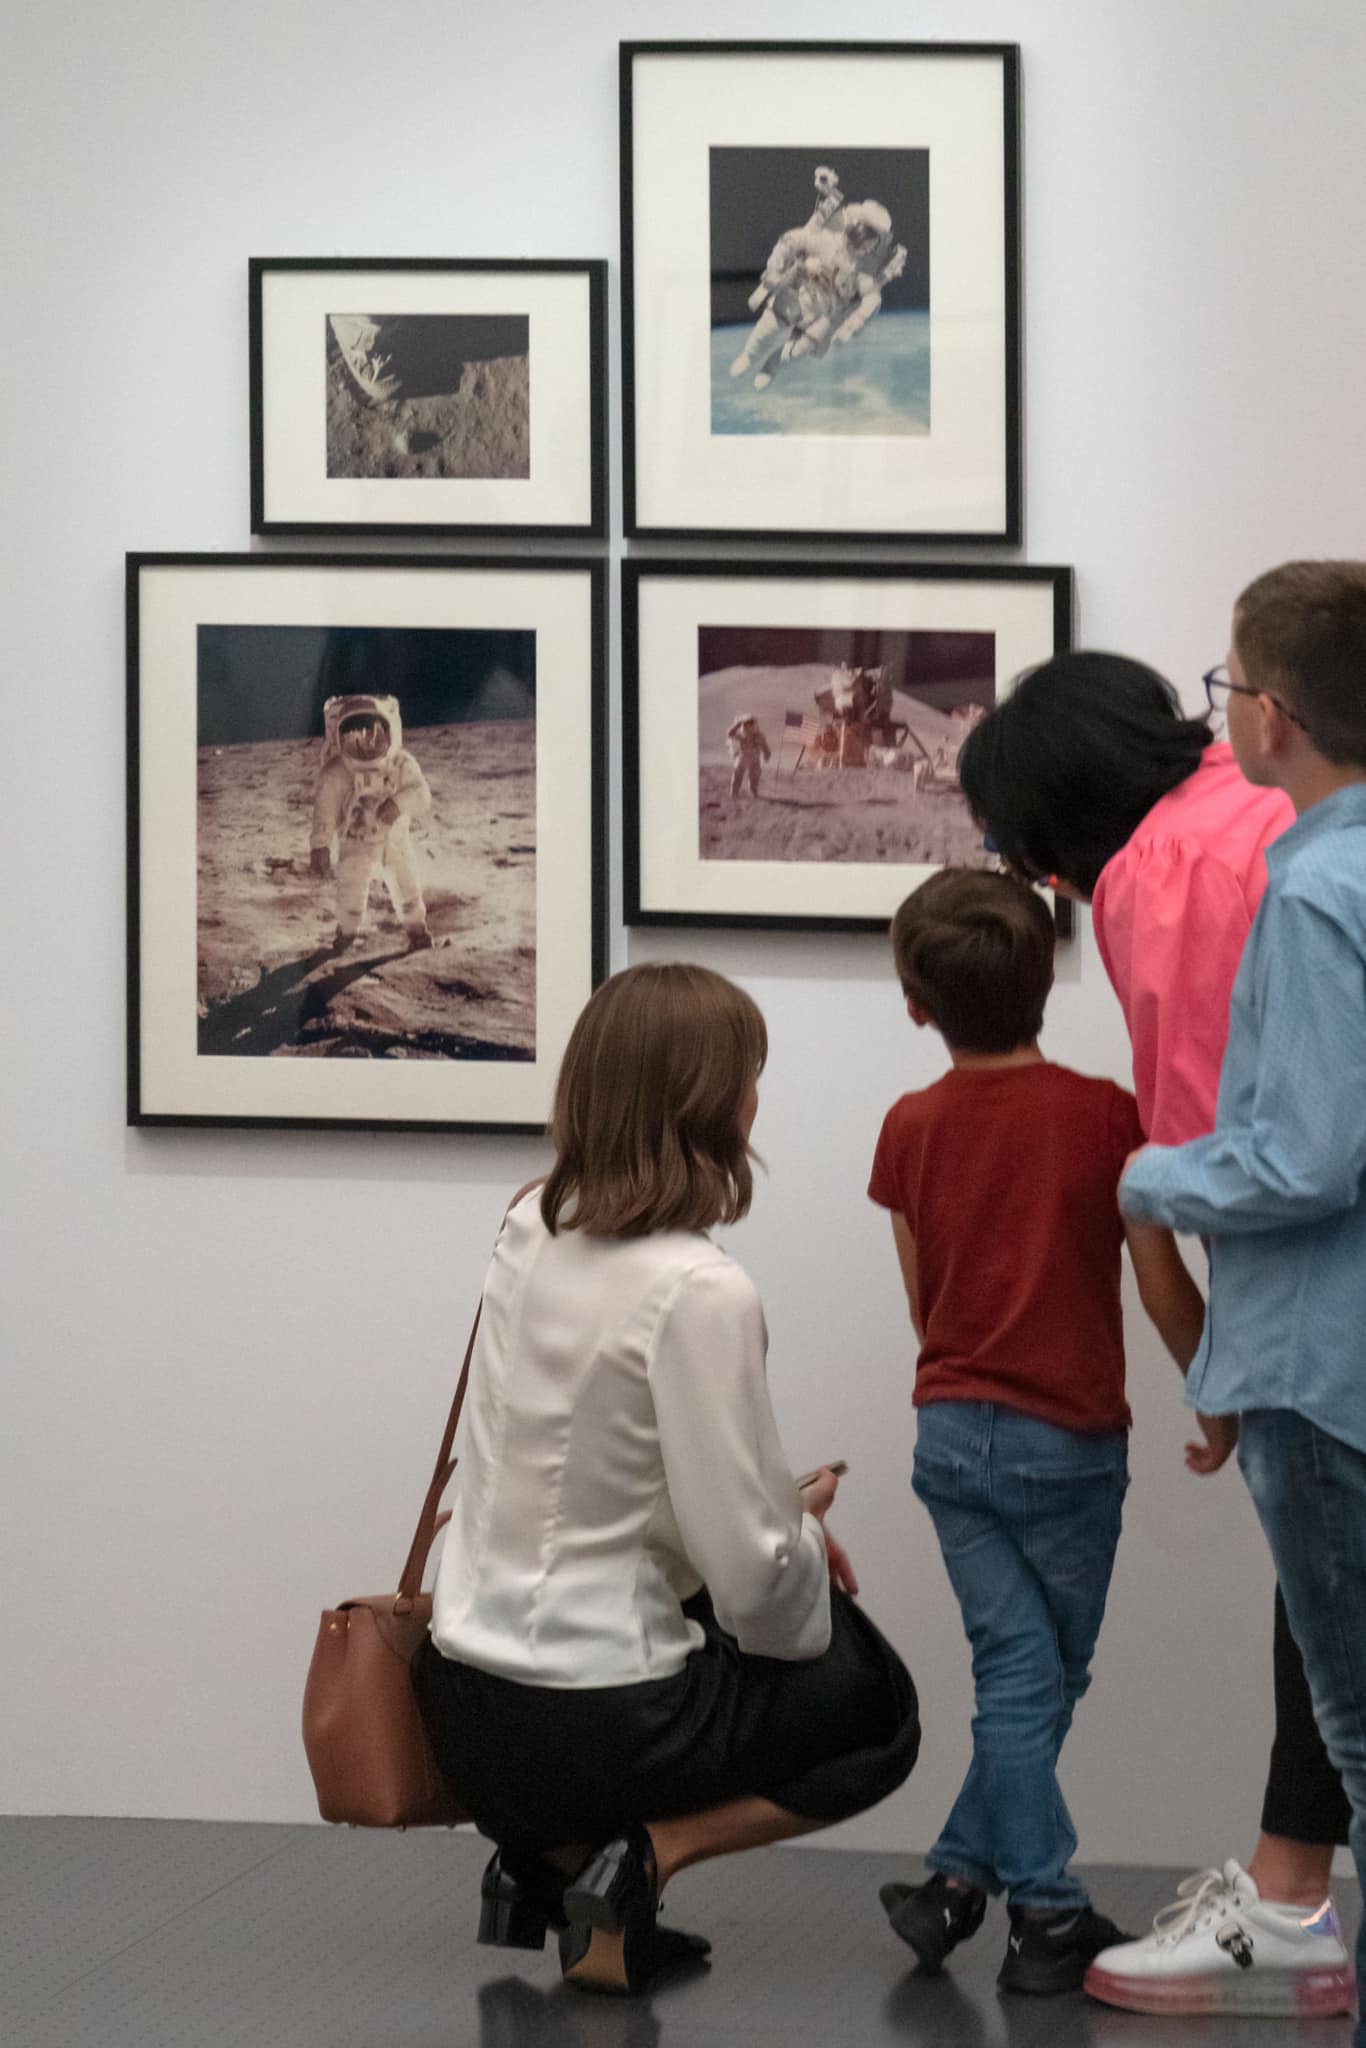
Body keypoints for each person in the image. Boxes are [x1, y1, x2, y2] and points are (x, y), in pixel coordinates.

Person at [957, 652, 1353, 2005]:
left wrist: (1218, 1361)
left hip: (1332, 1299)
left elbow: (1229, 1157)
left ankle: (1290, 1898)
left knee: (1328, 1588)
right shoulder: (1275, 802)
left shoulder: (1163, 877)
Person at [413, 963, 920, 1996]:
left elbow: (585, 1466)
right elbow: (754, 1585)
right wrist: (804, 1536)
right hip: (595, 1720)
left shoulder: (524, 1226)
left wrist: (771, 1516)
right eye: (749, 1077)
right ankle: (646, 1853)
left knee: (713, 1615)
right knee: (874, 1706)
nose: (757, 1099)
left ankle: (548, 1869)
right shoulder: (700, 1288)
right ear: (708, 1103)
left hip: (458, 1698)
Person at [868, 869, 1208, 1994]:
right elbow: (1159, 1284)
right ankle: (1048, 1914)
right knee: (1036, 1676)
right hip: (1067, 1442)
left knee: (1026, 1677)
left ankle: (955, 1882)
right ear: (1048, 978)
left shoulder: (908, 1125)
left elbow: (925, 1305)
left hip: (952, 1435)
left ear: (916, 1003)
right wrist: (1216, 1388)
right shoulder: (1107, 1114)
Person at [1107, 561, 1366, 2025]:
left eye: (1222, 690)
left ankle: (1289, 1925)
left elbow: (1305, 1159)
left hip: (1322, 1366)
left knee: (1350, 1713)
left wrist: (1150, 1180)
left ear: (1267, 716)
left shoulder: (1318, 893)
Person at [309, 691, 433, 952]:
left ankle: (417, 930)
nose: (365, 743)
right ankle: (346, 932)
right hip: (356, 842)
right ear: (339, 737)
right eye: (353, 736)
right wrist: (320, 845)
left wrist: (398, 804)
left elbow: (421, 795)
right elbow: (325, 810)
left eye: (375, 733)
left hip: (393, 841)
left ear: (389, 733)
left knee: (406, 885)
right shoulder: (337, 771)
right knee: (350, 890)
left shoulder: (400, 764)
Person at [726, 712, 771, 798]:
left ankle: (753, 791)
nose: (749, 726)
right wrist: (737, 724)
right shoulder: (740, 735)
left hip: (755, 758)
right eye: (747, 724)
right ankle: (734, 793)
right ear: (743, 725)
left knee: (755, 776)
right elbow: (729, 733)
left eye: (751, 723)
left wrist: (767, 754)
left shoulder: (759, 735)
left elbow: (765, 746)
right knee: (737, 775)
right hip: (742, 757)